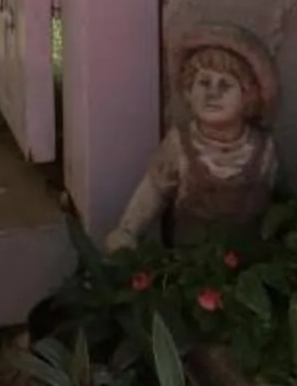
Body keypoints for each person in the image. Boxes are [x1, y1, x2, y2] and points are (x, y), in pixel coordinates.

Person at [105, 24, 280, 249]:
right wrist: (128, 230)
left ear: (248, 97)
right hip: (192, 267)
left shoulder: (263, 149)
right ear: (188, 91)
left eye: (225, 85)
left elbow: (276, 205)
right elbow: (154, 188)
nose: (212, 93)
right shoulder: (180, 144)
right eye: (204, 82)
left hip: (250, 269)